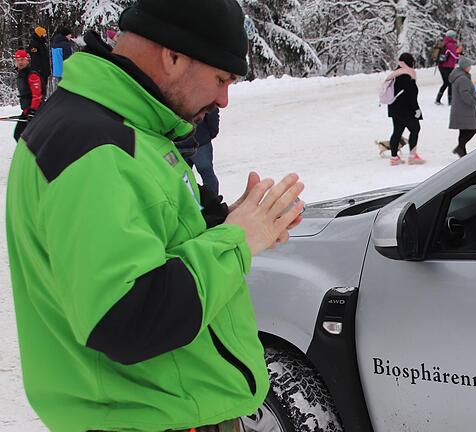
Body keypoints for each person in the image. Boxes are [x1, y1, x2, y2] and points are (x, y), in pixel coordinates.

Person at [5, 0, 305, 431]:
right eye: (221, 78)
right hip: (147, 419)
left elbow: (152, 238)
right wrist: (235, 241)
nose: (224, 99)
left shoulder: (125, 127)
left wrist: (227, 223)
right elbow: (126, 318)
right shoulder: (96, 148)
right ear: (173, 55)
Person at [387, 52, 426, 165]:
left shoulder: (396, 73)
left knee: (397, 131)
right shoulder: (407, 75)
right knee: (415, 129)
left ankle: (394, 158)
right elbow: (411, 95)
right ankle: (413, 156)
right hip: (406, 109)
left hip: (394, 107)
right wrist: (416, 109)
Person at [181, 106, 222, 195]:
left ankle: (213, 204)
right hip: (182, 143)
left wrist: (211, 132)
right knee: (181, 178)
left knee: (206, 174)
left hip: (199, 143)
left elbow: (212, 110)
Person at [449, 56, 476, 158]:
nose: (470, 68)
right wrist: (472, 102)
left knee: (464, 130)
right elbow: (464, 93)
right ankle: (460, 147)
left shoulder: (459, 76)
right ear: (465, 67)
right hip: (464, 108)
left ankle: (462, 150)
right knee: (472, 130)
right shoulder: (463, 78)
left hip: (459, 108)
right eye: (469, 66)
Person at [12, 49, 42, 142]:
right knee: (20, 135)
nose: (20, 62)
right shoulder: (21, 74)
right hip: (27, 111)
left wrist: (33, 111)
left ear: (27, 60)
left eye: (22, 59)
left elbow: (37, 95)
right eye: (18, 60)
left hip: (34, 111)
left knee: (21, 135)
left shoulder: (31, 74)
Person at [435, 30, 459, 105]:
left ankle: (438, 99)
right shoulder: (451, 45)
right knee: (450, 83)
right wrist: (459, 53)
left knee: (446, 83)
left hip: (441, 66)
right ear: (452, 37)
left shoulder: (444, 43)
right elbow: (455, 56)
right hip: (448, 67)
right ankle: (450, 101)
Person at [28, 26, 50, 97]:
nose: (45, 35)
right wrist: (39, 70)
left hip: (44, 69)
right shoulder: (34, 44)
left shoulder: (42, 43)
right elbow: (35, 58)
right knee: (39, 89)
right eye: (44, 34)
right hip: (39, 70)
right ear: (40, 34)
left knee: (44, 88)